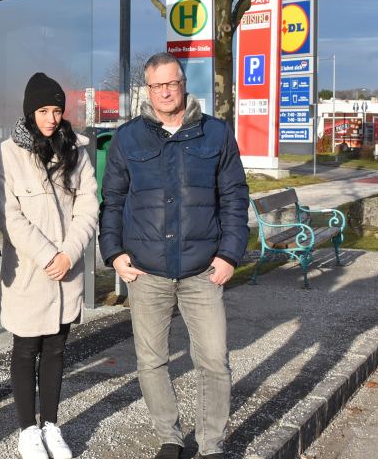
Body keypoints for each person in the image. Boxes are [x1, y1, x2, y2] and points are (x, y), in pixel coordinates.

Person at [99, 53, 248, 459]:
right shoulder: (128, 138)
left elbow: (235, 197)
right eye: (157, 85)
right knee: (151, 361)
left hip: (203, 269)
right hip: (146, 272)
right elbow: (111, 201)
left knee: (214, 360)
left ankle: (211, 444)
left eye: (173, 83)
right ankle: (170, 437)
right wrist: (113, 252)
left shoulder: (215, 133)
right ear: (147, 90)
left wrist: (230, 254)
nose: (166, 91)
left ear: (184, 83)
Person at [0, 73, 98, 459]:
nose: (51, 118)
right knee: (25, 348)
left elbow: (88, 206)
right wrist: (48, 255)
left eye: (56, 110)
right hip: (30, 273)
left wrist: (69, 252)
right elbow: (8, 216)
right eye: (43, 110)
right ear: (29, 111)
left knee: (56, 349)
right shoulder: (7, 154)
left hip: (67, 272)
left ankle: (51, 425)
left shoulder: (76, 152)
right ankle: (27, 430)